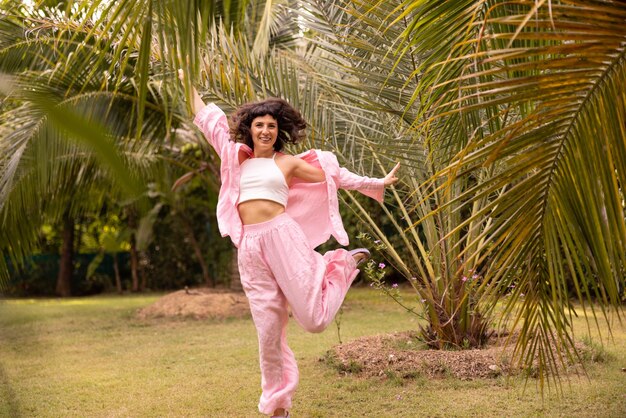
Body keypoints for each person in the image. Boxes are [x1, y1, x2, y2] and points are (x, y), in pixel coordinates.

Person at [180, 71, 399, 417]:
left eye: (271, 125)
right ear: (249, 129)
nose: (265, 130)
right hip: (250, 248)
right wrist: (185, 76)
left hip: (283, 237)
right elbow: (208, 118)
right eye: (258, 125)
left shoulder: (288, 163)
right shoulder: (236, 157)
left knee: (313, 320)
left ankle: (339, 267)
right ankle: (278, 406)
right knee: (267, 330)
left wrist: (376, 182)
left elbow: (334, 176)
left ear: (279, 131)